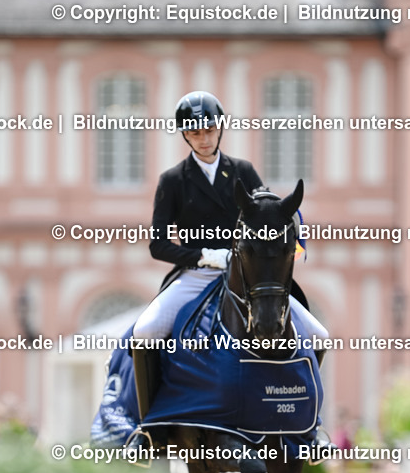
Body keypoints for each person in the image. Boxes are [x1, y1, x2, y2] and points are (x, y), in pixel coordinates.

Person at [129, 91, 327, 418]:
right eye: (195, 133)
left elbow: (267, 211)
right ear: (185, 136)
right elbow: (158, 245)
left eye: (209, 130)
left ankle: (309, 423)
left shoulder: (243, 171)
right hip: (196, 274)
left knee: (319, 334)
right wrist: (204, 256)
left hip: (247, 275)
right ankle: (150, 427)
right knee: (146, 330)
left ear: (219, 129)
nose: (204, 139)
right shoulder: (173, 180)